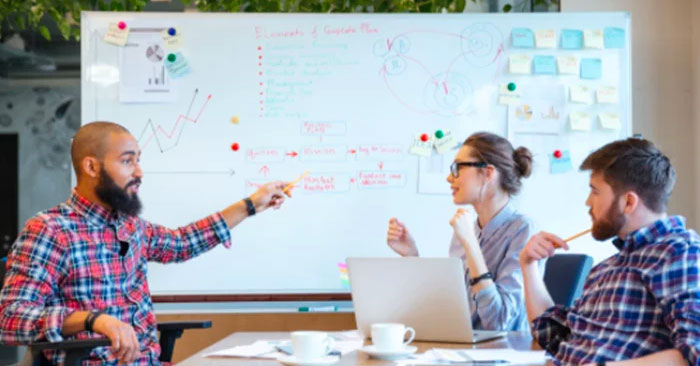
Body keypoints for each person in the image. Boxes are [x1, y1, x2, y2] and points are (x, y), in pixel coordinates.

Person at [0, 121, 291, 365]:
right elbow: (12, 319)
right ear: (91, 166)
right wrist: (93, 320)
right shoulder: (50, 230)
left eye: (138, 160)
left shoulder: (130, 226)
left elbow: (182, 243)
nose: (139, 171)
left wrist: (251, 205)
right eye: (127, 161)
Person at [519, 138, 700, 366]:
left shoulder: (679, 252)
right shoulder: (606, 269)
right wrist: (528, 265)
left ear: (628, 202)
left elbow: (695, 351)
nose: (588, 202)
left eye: (595, 191)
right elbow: (552, 336)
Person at [386, 132, 534, 331]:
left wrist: (470, 244)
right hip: (462, 349)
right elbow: (448, 308)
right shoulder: (465, 230)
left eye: (458, 168)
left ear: (488, 173)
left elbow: (499, 322)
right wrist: (412, 256)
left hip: (501, 353)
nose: (449, 178)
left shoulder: (522, 230)